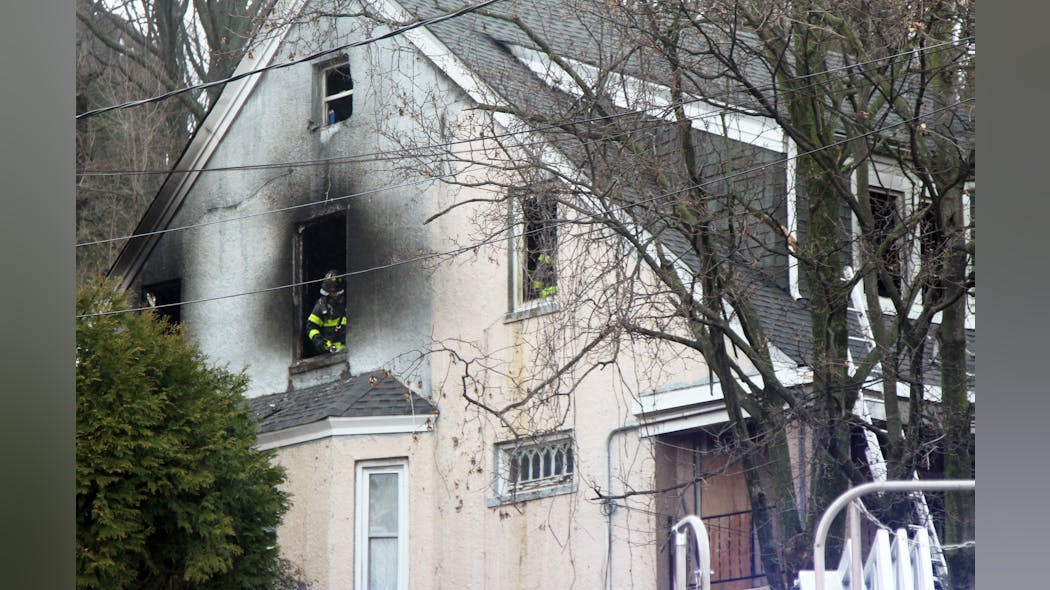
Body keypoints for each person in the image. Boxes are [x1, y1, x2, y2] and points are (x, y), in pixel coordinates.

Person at [307, 270, 347, 354]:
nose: (330, 295)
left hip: (352, 352)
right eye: (328, 292)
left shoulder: (351, 302)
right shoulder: (322, 305)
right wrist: (319, 341)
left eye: (333, 293)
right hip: (330, 354)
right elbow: (311, 326)